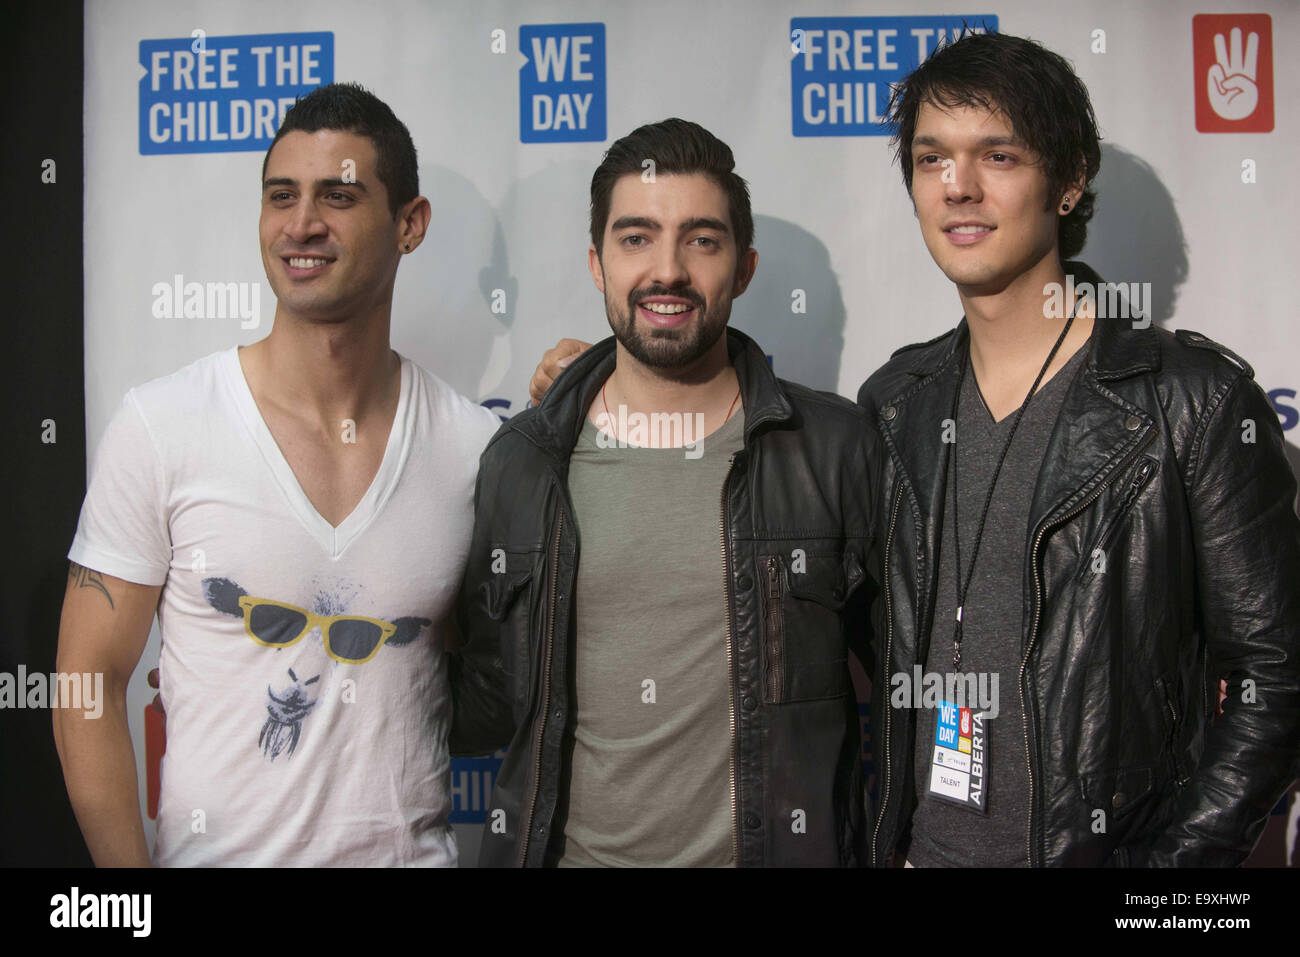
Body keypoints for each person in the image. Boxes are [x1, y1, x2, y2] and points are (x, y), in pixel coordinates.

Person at [858, 30, 1300, 867]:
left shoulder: (1189, 403)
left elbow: (1274, 678)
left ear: (1068, 182)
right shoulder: (896, 405)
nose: (958, 187)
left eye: (998, 155)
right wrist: (587, 389)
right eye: (930, 159)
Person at [54, 82, 499, 866]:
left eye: (339, 195)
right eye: (281, 196)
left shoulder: (474, 448)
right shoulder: (165, 425)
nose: (301, 224)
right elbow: (87, 676)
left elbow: (503, 675)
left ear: (410, 224)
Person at [450, 118, 878, 866]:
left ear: (743, 268)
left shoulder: (834, 450)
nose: (668, 271)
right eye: (637, 238)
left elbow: (914, 687)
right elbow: (487, 701)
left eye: (701, 240)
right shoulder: (522, 463)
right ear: (597, 263)